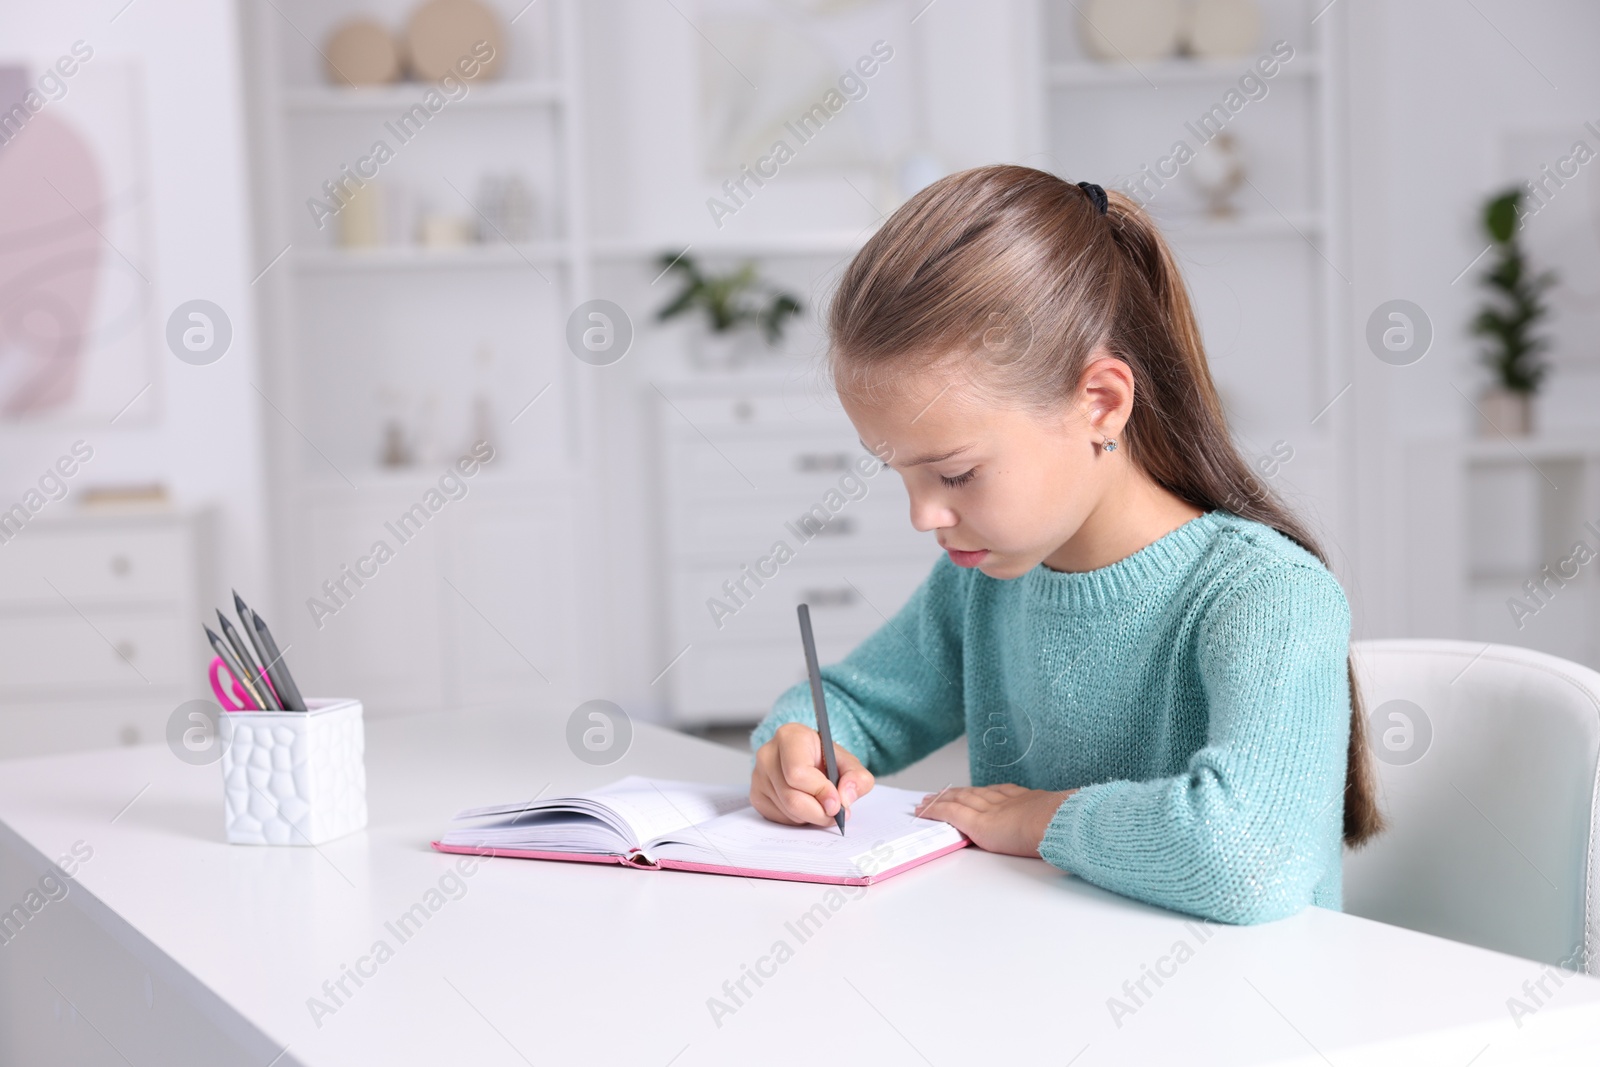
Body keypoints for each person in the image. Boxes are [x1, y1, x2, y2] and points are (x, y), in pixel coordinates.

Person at [748, 164, 1383, 925]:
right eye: (901, 474)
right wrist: (795, 748)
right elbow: (849, 705)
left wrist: (1041, 820)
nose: (923, 515)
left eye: (955, 472)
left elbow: (1247, 857)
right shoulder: (983, 580)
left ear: (1102, 404)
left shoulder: (1267, 596)